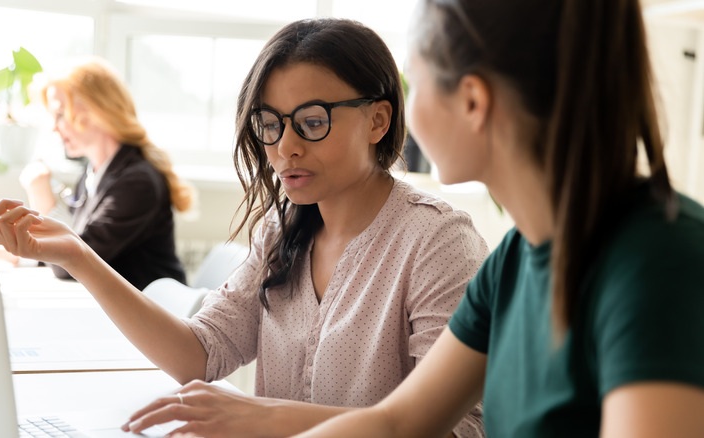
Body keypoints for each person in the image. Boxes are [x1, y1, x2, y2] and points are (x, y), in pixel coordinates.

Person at [0, 18, 490, 438]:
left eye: (313, 121)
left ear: (378, 120)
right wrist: (79, 257)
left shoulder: (436, 242)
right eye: (271, 125)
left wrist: (262, 418)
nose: (285, 149)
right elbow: (199, 354)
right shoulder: (282, 237)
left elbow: (454, 429)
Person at [291, 1, 704, 437]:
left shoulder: (660, 263)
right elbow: (396, 424)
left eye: (416, 81)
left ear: (472, 101)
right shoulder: (514, 259)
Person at [0, 59, 193, 290]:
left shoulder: (138, 183)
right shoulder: (93, 173)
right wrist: (16, 255)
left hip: (154, 314)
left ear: (97, 111)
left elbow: (72, 262)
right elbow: (77, 241)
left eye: (61, 114)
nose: (54, 127)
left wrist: (42, 195)